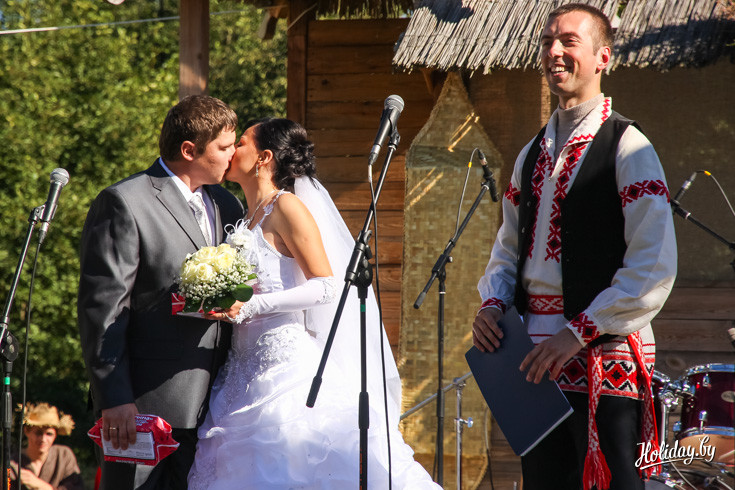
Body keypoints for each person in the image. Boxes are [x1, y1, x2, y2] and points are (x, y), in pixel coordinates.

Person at [471, 4, 676, 490]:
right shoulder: (531, 154)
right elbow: (508, 248)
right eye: (547, 42)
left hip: (604, 353)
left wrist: (578, 332)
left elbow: (653, 264)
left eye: (568, 41)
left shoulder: (629, 146)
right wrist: (493, 305)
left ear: (603, 57)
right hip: (534, 358)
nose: (554, 52)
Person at [187, 118, 441, 489]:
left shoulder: (287, 207)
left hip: (285, 370)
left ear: (264, 157)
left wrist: (251, 306)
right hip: (240, 372)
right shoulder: (244, 217)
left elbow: (325, 286)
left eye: (240, 143)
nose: (231, 150)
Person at [77, 95, 244, 489]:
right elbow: (103, 311)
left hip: (218, 407)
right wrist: (115, 398)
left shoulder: (228, 204)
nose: (234, 154)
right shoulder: (125, 202)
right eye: (224, 147)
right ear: (189, 150)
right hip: (144, 407)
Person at [10, 403, 84, 490]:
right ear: (27, 431)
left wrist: (42, 486)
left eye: (49, 434)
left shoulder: (64, 456)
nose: (43, 439)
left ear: (56, 434)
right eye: (38, 433)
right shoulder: (13, 464)